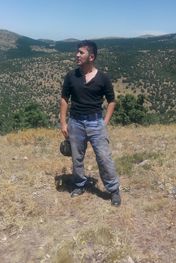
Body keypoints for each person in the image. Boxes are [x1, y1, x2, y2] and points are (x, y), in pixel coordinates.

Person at [60, 40, 121, 206]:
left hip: (95, 122)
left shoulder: (103, 78)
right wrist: (63, 122)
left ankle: (113, 190)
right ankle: (79, 184)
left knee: (103, 157)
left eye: (81, 52)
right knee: (76, 157)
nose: (77, 55)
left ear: (91, 56)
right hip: (75, 122)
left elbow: (111, 101)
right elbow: (64, 99)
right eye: (77, 52)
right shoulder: (71, 76)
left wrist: (104, 122)